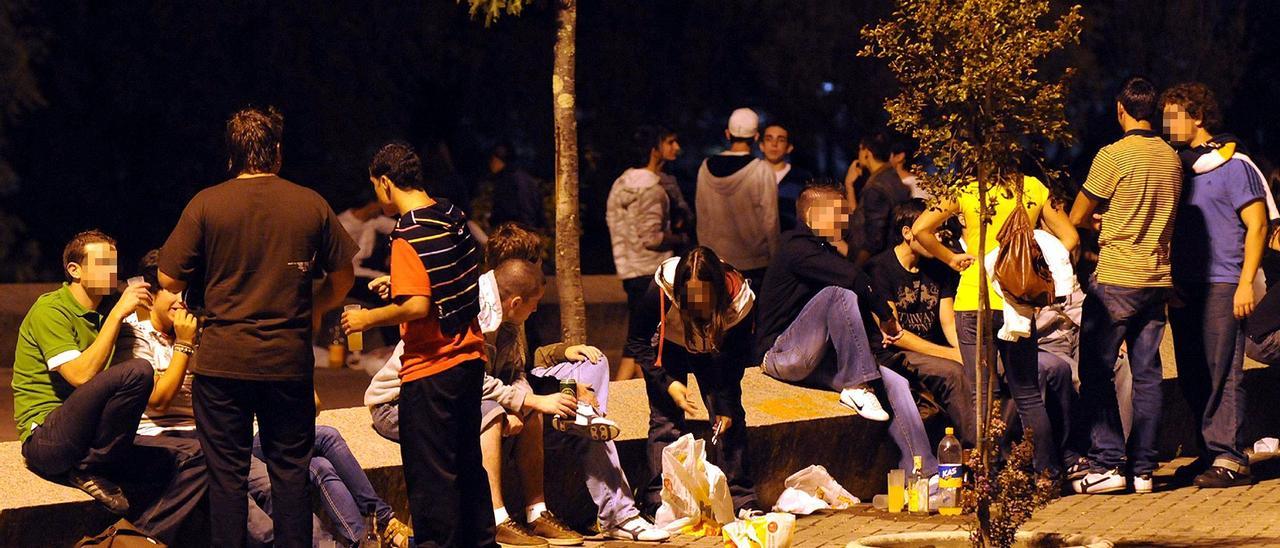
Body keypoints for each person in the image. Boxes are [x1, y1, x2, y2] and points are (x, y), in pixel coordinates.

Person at [363, 241, 668, 544]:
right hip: (401, 403)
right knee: (493, 413)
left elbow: (517, 371)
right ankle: (497, 518)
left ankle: (537, 512)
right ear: (516, 300)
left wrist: (528, 402)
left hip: (457, 398)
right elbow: (462, 377)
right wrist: (524, 400)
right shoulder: (473, 312)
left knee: (539, 401)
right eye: (534, 302)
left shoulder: (506, 317)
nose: (537, 310)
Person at [159, 106, 358, 547]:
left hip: (222, 363)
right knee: (291, 473)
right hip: (287, 364)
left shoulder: (206, 204)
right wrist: (317, 308)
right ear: (278, 154)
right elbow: (343, 278)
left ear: (232, 157)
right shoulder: (311, 203)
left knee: (226, 476)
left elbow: (169, 279)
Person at [120, 250, 412, 547]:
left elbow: (307, 405)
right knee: (280, 479)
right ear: (151, 294)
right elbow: (158, 401)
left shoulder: (203, 332)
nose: (182, 299)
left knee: (322, 449)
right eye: (172, 291)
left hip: (221, 437)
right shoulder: (136, 335)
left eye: (187, 289)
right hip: (177, 443)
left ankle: (368, 535)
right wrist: (184, 344)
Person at [339, 141, 492, 546]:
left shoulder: (407, 232)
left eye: (376, 186)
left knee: (431, 480)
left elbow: (419, 304)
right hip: (470, 360)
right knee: (468, 467)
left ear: (386, 183)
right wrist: (401, 283)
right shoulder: (451, 214)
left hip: (431, 369)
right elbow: (452, 277)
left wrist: (367, 316)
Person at [12, 230, 207, 544]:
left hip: (91, 441)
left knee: (198, 458)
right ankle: (88, 467)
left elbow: (154, 320)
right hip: (48, 440)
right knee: (137, 371)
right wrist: (119, 313)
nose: (112, 272)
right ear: (75, 270)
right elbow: (80, 375)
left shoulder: (108, 309)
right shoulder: (51, 310)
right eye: (102, 264)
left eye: (114, 264)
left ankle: (134, 539)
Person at [755, 185, 938, 476]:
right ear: (815, 215)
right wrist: (885, 314)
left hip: (816, 357)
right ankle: (856, 385)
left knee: (896, 384)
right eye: (840, 213)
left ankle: (924, 475)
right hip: (780, 353)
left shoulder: (823, 250)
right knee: (839, 294)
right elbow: (853, 278)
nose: (846, 219)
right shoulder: (796, 246)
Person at [912, 172, 1079, 475]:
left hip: (973, 300)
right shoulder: (1032, 188)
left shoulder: (965, 187)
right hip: (1016, 301)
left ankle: (993, 474)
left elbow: (921, 229)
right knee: (1027, 392)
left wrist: (951, 258)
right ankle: (1047, 474)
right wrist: (1033, 258)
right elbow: (1070, 238)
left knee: (983, 396)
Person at [1066, 76, 1184, 494]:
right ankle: (1144, 471)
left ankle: (1109, 463)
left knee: (1096, 371)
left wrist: (1102, 220)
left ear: (1121, 109)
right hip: (1157, 278)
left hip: (1117, 276)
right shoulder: (1171, 158)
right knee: (1148, 374)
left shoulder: (1113, 156)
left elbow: (1079, 214)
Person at [1163, 82, 1267, 488]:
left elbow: (1257, 226)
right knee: (1193, 373)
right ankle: (1208, 452)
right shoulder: (1179, 169)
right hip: (1186, 287)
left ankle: (1231, 458)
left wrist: (1244, 285)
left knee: (1223, 371)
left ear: (1198, 117)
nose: (1166, 123)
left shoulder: (1235, 166)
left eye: (1174, 114)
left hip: (1224, 284)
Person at [629, 246, 761, 518]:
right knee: (665, 421)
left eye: (705, 295)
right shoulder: (662, 290)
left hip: (714, 348)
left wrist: (724, 404)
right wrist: (667, 383)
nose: (698, 302)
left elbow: (735, 359)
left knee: (729, 417)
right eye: (691, 296)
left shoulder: (740, 302)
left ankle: (741, 499)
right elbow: (637, 341)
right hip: (671, 345)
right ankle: (659, 502)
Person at [866, 200, 974, 446]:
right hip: (896, 353)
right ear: (907, 233)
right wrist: (952, 355)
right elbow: (896, 335)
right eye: (931, 232)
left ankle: (1002, 447)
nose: (937, 239)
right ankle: (976, 452)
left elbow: (947, 322)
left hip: (933, 350)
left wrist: (965, 351)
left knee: (984, 367)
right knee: (953, 372)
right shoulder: (879, 268)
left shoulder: (937, 267)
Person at [607, 125, 689, 381]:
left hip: (629, 267)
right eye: (670, 142)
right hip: (650, 270)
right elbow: (651, 236)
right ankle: (643, 397)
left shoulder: (622, 182)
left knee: (637, 338)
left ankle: (622, 397)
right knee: (647, 339)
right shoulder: (652, 189)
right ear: (654, 149)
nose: (676, 148)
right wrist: (681, 238)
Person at [695, 108, 779, 289]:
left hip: (716, 262)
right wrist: (775, 261)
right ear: (756, 137)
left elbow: (702, 217)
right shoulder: (762, 170)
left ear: (728, 134)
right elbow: (770, 222)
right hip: (756, 264)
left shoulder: (705, 168)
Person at [848, 130, 913, 269]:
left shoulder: (876, 188)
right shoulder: (894, 179)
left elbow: (874, 238)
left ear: (866, 152)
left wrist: (856, 268)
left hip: (876, 265)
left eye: (860, 149)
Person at [338, 195, 398, 303]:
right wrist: (381, 276)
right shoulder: (344, 226)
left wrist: (393, 251)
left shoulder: (372, 220)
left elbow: (398, 227)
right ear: (371, 204)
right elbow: (349, 268)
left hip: (366, 268)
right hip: (348, 276)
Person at [759, 122, 812, 232]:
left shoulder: (802, 178)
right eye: (769, 139)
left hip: (790, 243)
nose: (774, 144)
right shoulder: (750, 176)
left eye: (781, 140)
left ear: (789, 147)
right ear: (761, 145)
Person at [487, 142, 546, 231]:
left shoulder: (510, 180)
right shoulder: (520, 177)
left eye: (491, 160)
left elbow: (523, 207)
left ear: (497, 160)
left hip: (516, 231)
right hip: (521, 230)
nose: (490, 165)